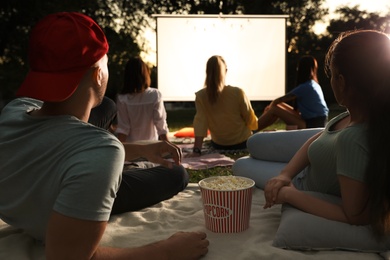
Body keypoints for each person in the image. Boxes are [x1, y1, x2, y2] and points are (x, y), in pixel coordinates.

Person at [0, 12, 208, 259]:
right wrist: (168, 251)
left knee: (106, 105)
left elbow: (53, 137)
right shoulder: (101, 153)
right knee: (177, 173)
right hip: (72, 196)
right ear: (98, 73)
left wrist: (141, 148)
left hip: (37, 188)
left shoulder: (15, 109)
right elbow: (67, 256)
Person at [235, 29, 390, 239]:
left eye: (332, 75)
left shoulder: (353, 139)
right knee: (254, 143)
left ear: (342, 81)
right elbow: (318, 137)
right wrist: (285, 174)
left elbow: (355, 216)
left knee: (241, 165)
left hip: (304, 181)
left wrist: (290, 194)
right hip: (308, 161)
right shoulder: (355, 114)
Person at [190, 55, 258, 156]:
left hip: (218, 145)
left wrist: (197, 150)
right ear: (225, 71)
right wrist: (255, 129)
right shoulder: (237, 92)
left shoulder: (201, 96)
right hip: (243, 143)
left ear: (207, 72)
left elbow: (200, 123)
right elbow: (250, 119)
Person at [257, 55, 329, 130]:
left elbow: (277, 101)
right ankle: (256, 128)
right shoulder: (314, 84)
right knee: (278, 106)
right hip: (317, 122)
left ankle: (253, 129)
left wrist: (268, 109)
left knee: (274, 108)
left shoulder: (305, 87)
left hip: (311, 125)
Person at [116, 56, 169, 142]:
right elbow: (160, 124)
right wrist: (168, 146)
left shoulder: (122, 98)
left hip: (132, 148)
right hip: (151, 147)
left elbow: (123, 128)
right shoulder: (155, 95)